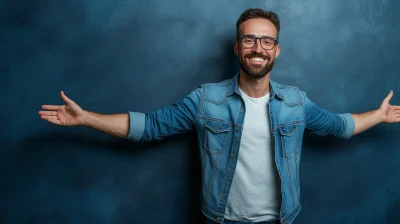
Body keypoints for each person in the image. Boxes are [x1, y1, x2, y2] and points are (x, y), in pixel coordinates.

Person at [38, 8, 400, 224]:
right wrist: (87, 118)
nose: (258, 48)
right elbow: (149, 127)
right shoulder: (206, 100)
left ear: (277, 50)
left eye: (266, 41)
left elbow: (339, 127)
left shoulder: (295, 102)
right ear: (237, 47)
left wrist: (379, 115)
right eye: (249, 40)